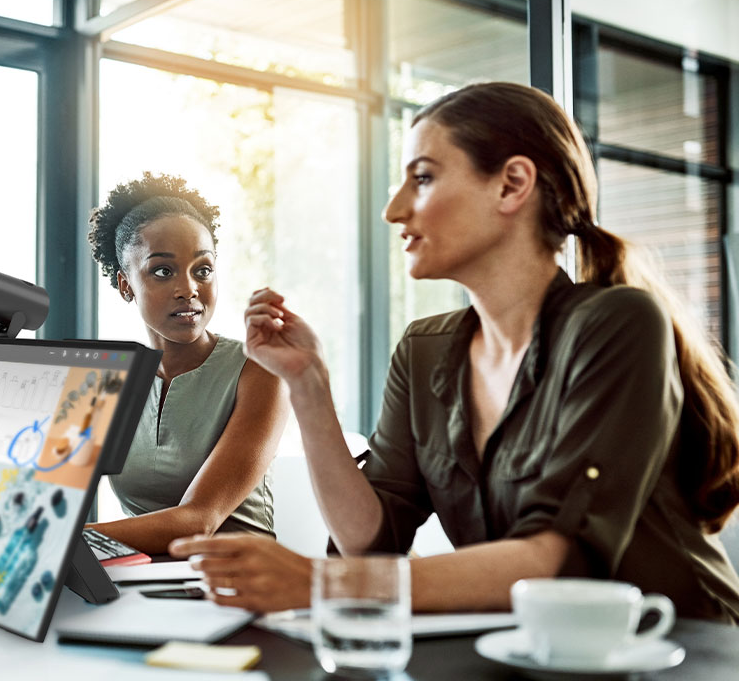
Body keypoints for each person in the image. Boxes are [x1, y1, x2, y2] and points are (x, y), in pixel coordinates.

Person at [171, 82, 739, 622]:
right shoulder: (425, 351)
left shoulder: (617, 325)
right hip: (530, 651)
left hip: (683, 648)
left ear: (512, 184)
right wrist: (309, 387)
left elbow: (560, 560)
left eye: (421, 178)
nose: (394, 209)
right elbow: (372, 541)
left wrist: (323, 584)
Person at [85, 172, 288, 553]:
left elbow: (199, 520)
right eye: (163, 271)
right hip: (134, 584)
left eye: (203, 270)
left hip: (235, 585)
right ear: (125, 284)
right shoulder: (109, 381)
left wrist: (64, 538)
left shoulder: (258, 370)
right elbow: (51, 493)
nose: (189, 289)